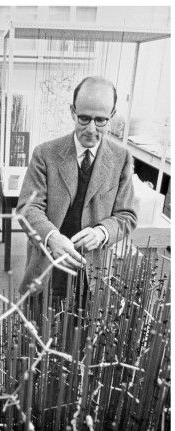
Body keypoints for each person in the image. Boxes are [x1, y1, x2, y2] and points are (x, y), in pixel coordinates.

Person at [17, 76, 137, 302]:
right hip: (48, 269)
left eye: (100, 120)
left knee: (86, 335)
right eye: (84, 118)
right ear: (72, 112)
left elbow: (127, 215)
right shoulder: (45, 154)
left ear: (112, 116)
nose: (91, 129)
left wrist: (102, 232)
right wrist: (51, 237)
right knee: (38, 332)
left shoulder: (122, 158)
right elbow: (28, 207)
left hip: (93, 275)